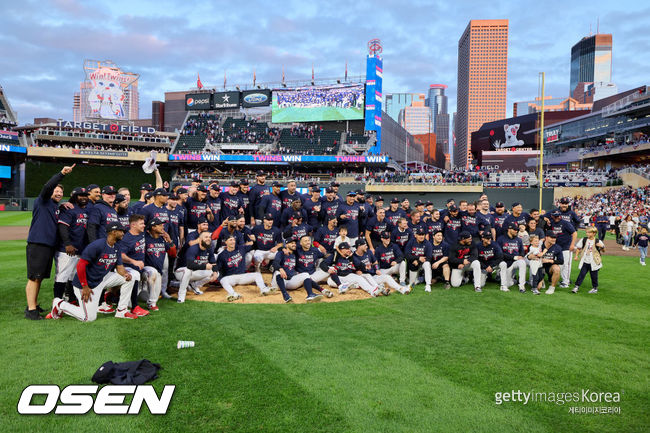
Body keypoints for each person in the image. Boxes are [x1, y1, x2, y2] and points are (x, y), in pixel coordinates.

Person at [48, 222, 137, 321]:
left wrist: (125, 274)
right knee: (88, 318)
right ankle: (59, 304)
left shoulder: (117, 247)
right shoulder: (97, 245)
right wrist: (84, 286)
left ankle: (122, 311)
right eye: (121, 231)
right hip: (86, 284)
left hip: (101, 279)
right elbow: (81, 265)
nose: (123, 233)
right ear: (114, 232)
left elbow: (119, 267)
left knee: (131, 278)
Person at [25, 164, 75, 319]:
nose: (59, 193)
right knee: (34, 277)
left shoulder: (55, 206)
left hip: (47, 246)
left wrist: (62, 204)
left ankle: (33, 304)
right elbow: (48, 186)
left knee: (39, 276)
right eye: (56, 190)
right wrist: (61, 173)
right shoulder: (43, 200)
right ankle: (31, 310)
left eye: (61, 192)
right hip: (38, 243)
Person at [53, 186, 89, 302]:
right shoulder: (69, 209)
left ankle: (71, 298)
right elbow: (62, 227)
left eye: (85, 196)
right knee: (62, 275)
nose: (83, 198)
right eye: (80, 195)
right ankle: (57, 301)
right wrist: (67, 244)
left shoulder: (85, 210)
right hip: (66, 250)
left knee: (73, 276)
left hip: (80, 250)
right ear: (74, 196)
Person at [216, 235, 273, 301]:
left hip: (242, 276)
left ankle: (264, 289)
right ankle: (233, 294)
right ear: (226, 242)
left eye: (233, 240)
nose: (233, 242)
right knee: (223, 280)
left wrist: (254, 241)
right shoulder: (222, 255)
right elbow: (219, 268)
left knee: (257, 274)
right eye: (230, 240)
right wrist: (219, 278)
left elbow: (255, 247)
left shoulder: (241, 248)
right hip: (231, 278)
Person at [272, 237, 323, 303]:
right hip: (278, 282)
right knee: (277, 272)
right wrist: (281, 269)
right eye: (292, 243)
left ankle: (310, 295)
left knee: (306, 274)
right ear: (286, 245)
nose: (294, 244)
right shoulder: (281, 253)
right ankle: (285, 295)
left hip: (290, 282)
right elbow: (275, 263)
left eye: (295, 243)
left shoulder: (295, 254)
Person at [141, 218, 176, 311]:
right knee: (153, 273)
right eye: (160, 225)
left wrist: (169, 240)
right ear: (153, 227)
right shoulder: (144, 238)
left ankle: (151, 302)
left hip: (158, 271)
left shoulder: (162, 239)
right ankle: (150, 303)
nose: (162, 226)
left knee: (153, 297)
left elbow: (173, 253)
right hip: (145, 269)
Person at [174, 231, 219, 303]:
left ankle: (194, 285)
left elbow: (213, 263)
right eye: (206, 237)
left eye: (209, 237)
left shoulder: (209, 248)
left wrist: (215, 272)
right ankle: (181, 295)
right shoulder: (193, 248)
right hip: (181, 271)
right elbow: (190, 265)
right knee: (187, 271)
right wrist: (204, 266)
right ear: (200, 240)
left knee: (214, 273)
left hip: (194, 272)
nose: (208, 239)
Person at [119, 214, 150, 315]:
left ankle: (151, 302)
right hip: (127, 267)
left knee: (153, 274)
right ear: (133, 225)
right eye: (141, 224)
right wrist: (133, 261)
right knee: (135, 275)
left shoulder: (141, 233)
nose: (143, 225)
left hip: (139, 267)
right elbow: (121, 255)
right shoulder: (126, 238)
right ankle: (135, 307)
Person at [548, 210, 577, 288]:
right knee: (558, 264)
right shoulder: (552, 223)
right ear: (552, 216)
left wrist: (572, 244)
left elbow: (574, 233)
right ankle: (559, 279)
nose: (557, 217)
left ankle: (566, 282)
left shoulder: (566, 223)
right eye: (555, 216)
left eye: (558, 216)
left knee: (566, 265)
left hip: (566, 247)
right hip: (557, 247)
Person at [572, 226, 605, 294]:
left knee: (594, 276)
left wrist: (602, 246)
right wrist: (576, 256)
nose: (587, 234)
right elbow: (578, 248)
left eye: (589, 232)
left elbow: (603, 250)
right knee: (581, 274)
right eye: (587, 232)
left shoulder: (598, 241)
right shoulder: (584, 239)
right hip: (585, 261)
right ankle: (576, 286)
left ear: (594, 233)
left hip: (594, 262)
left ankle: (595, 288)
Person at [497, 222, 527, 293]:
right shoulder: (501, 239)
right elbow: (499, 254)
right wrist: (514, 257)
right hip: (505, 262)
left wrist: (521, 256)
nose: (516, 231)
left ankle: (522, 286)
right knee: (509, 284)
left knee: (522, 262)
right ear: (509, 229)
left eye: (517, 230)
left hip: (515, 262)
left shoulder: (518, 240)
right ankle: (510, 278)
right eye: (514, 230)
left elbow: (522, 251)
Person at [404, 227, 433, 292]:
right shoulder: (411, 242)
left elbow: (429, 257)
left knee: (427, 264)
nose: (421, 236)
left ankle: (428, 285)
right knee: (412, 283)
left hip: (422, 263)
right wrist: (417, 258)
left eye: (423, 235)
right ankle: (419, 279)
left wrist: (418, 261)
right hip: (413, 264)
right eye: (419, 235)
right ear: (415, 235)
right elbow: (407, 255)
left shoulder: (428, 243)